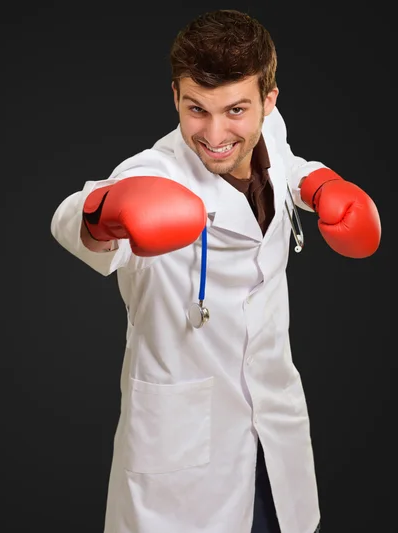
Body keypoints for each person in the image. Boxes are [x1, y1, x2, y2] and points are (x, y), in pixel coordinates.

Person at [50, 9, 381, 533]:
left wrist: (317, 185)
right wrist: (107, 210)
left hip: (273, 432)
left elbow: (287, 161)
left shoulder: (270, 129)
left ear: (269, 102)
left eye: (235, 110)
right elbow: (71, 219)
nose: (214, 133)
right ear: (177, 97)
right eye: (195, 109)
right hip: (184, 465)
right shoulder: (154, 172)